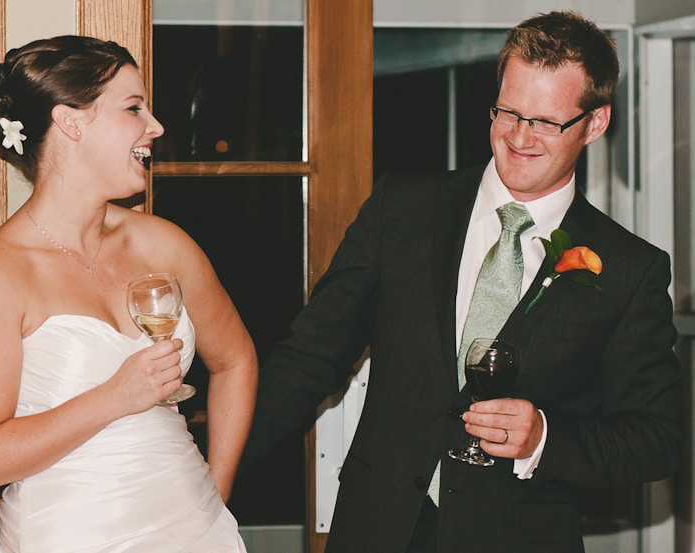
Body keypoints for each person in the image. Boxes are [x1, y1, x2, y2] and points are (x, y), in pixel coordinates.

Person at [241, 10, 683, 553]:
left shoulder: (630, 269)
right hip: (376, 531)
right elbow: (309, 359)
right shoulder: (400, 209)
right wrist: (209, 465)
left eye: (545, 121)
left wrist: (545, 439)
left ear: (594, 124)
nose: (520, 137)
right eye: (508, 112)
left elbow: (658, 439)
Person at [0, 35, 257, 553]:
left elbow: (236, 360)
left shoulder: (163, 243)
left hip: (197, 530)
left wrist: (213, 498)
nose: (155, 126)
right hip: (69, 534)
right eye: (134, 108)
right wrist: (115, 397)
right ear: (71, 122)